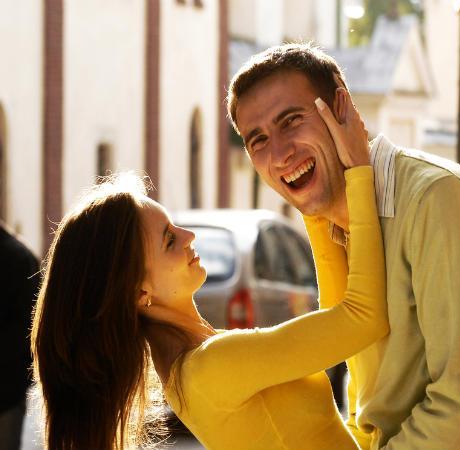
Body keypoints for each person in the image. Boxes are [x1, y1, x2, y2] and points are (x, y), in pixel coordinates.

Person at [227, 43, 460, 449]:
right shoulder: (338, 225)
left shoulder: (435, 199)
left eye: (291, 121)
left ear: (340, 107)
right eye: (258, 140)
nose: (279, 154)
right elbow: (369, 408)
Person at [30, 97, 387, 450]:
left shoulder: (199, 360)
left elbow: (339, 321)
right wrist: (358, 170)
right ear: (139, 293)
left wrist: (313, 206)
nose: (189, 236)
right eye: (170, 240)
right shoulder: (211, 367)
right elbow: (363, 318)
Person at [0, 224, 40, 450]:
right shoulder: (20, 256)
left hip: (6, 389)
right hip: (9, 388)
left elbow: (28, 328)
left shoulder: (18, 258)